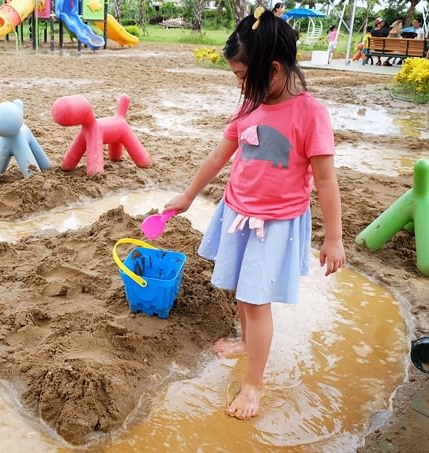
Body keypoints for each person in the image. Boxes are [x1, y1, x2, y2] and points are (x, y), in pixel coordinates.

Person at [164, 6, 345, 420]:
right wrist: (189, 196)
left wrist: (333, 238)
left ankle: (254, 383)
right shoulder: (249, 109)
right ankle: (248, 342)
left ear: (274, 69)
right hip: (237, 211)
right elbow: (218, 157)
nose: (241, 87)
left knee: (254, 298)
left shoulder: (310, 114)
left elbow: (327, 181)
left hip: (276, 223)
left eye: (244, 77)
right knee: (241, 294)